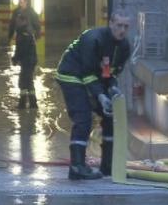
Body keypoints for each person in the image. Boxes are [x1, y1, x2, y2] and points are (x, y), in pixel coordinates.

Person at [55, 10, 131, 180]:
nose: (122, 30)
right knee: (83, 118)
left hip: (94, 78)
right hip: (71, 74)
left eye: (126, 26)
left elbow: (110, 74)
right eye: (119, 25)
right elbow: (87, 72)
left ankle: (108, 166)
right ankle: (77, 166)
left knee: (110, 117)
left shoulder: (124, 47)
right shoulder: (93, 38)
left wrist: (112, 89)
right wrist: (101, 96)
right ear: (110, 24)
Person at [11, 14, 38, 109]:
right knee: (28, 81)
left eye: (18, 21)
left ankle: (24, 103)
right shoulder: (25, 31)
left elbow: (22, 49)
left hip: (28, 61)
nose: (17, 23)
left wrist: (15, 58)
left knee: (24, 81)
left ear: (24, 21)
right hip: (29, 61)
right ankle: (32, 103)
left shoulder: (24, 33)